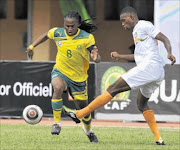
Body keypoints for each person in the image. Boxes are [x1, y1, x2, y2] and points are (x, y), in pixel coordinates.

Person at [63, 6, 176, 145]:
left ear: (132, 17)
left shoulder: (144, 25)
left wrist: (169, 52)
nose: (122, 24)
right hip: (156, 72)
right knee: (141, 105)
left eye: (124, 21)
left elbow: (164, 38)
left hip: (149, 67)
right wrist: (120, 56)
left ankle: (79, 114)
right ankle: (159, 139)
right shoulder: (137, 33)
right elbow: (139, 56)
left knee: (112, 88)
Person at [26, 10, 101, 143]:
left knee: (84, 110)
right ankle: (57, 123)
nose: (69, 28)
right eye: (67, 25)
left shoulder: (87, 37)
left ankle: (89, 131)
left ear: (78, 25)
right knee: (58, 87)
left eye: (72, 26)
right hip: (60, 71)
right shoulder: (58, 32)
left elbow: (96, 56)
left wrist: (96, 58)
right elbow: (45, 35)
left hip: (79, 78)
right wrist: (32, 46)